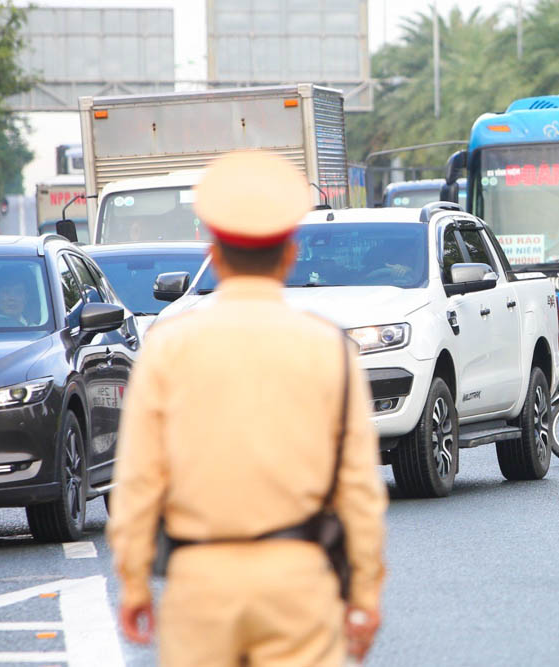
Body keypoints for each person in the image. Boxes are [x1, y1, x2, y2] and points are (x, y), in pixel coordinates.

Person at [107, 151, 387, 666]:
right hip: (298, 579)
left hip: (199, 582)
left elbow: (140, 478)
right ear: (289, 255)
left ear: (213, 253)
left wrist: (134, 579)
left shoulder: (169, 346)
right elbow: (358, 487)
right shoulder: (327, 347)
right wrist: (364, 594)